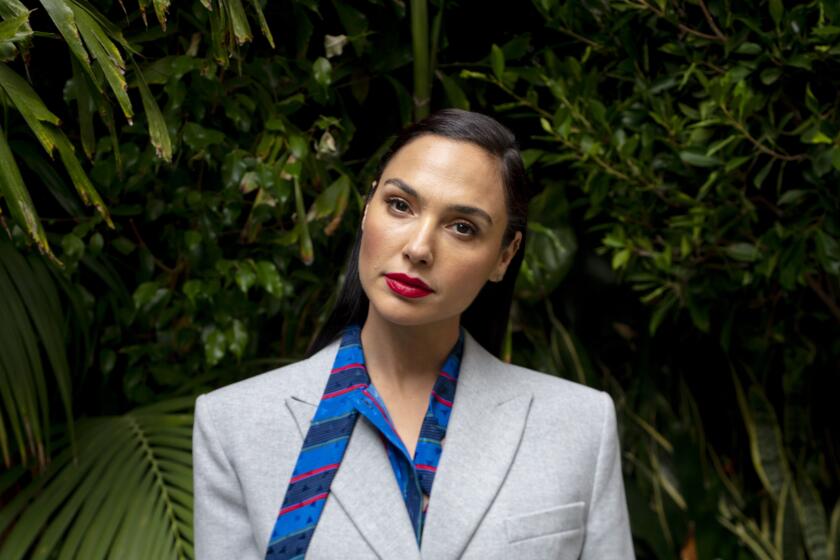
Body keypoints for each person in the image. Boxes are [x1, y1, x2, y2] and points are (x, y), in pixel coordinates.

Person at [192, 108, 634, 559]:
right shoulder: (238, 424)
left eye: (463, 227)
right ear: (368, 208)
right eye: (400, 205)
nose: (419, 248)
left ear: (505, 255)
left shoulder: (579, 425)